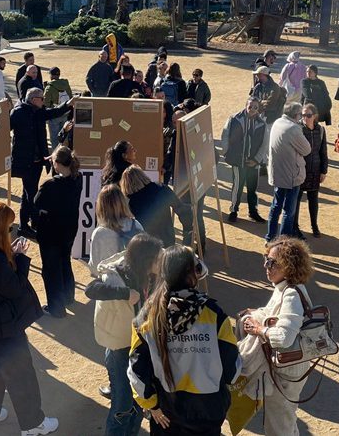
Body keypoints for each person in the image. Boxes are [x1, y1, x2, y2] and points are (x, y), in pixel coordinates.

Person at [130, 245, 240, 435]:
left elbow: (136, 372)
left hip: (166, 414)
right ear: (193, 274)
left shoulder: (145, 318)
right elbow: (233, 370)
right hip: (209, 412)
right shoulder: (214, 315)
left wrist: (151, 405)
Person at [0, 202, 58, 435]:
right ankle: (33, 424)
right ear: (1, 229)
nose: (13, 231)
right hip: (4, 327)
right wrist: (19, 259)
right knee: (22, 376)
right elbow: (14, 289)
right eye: (10, 227)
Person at [87, 233, 164, 436]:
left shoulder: (151, 274)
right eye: (157, 259)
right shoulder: (118, 275)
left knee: (139, 401)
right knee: (122, 405)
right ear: (146, 260)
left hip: (142, 346)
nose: (161, 262)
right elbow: (91, 289)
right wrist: (124, 294)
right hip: (120, 349)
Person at [236, 238, 315, 434]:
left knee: (279, 425)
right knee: (285, 421)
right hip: (287, 369)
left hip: (286, 374)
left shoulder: (291, 295)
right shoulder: (284, 288)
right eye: (266, 259)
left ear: (289, 266)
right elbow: (275, 313)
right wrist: (259, 314)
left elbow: (284, 338)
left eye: (272, 263)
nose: (266, 266)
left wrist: (258, 329)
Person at [10, 87, 74, 237]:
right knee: (31, 193)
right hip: (26, 162)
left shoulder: (37, 111)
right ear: (33, 100)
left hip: (37, 161)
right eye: (41, 99)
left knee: (29, 193)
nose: (44, 101)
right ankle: (26, 224)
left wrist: (68, 104)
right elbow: (4, 127)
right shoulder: (18, 113)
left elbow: (52, 113)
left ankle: (27, 223)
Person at [34, 146, 84, 318]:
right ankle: (68, 296)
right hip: (69, 229)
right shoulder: (78, 178)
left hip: (51, 233)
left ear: (57, 163)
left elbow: (36, 202)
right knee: (64, 262)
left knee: (50, 269)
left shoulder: (51, 185)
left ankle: (56, 308)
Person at [265, 103, 313, 242]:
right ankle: (283, 241)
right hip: (291, 175)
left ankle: (270, 238)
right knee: (288, 211)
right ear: (296, 115)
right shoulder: (294, 129)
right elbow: (307, 150)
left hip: (277, 173)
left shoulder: (278, 122)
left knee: (275, 207)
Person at [221, 98, 268, 224]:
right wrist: (226, 153)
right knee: (237, 186)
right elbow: (225, 135)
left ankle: (253, 211)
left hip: (253, 163)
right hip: (238, 161)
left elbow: (264, 144)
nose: (252, 109)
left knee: (252, 188)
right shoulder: (234, 119)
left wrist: (257, 160)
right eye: (250, 106)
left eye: (255, 107)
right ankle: (233, 210)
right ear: (246, 105)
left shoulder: (262, 124)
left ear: (258, 109)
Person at [88, 184, 145, 274]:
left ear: (101, 206)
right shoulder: (136, 225)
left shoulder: (99, 233)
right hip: (134, 282)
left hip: (110, 283)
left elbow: (95, 268)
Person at [121, 165, 180, 249]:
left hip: (147, 245)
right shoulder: (161, 188)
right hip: (168, 239)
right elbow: (180, 207)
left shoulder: (132, 202)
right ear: (142, 176)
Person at [296, 102, 328, 238]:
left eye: (308, 115)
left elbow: (323, 152)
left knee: (313, 199)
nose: (305, 118)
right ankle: (294, 225)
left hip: (315, 169)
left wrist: (323, 171)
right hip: (300, 170)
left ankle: (314, 225)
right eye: (303, 115)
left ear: (315, 116)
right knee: (296, 199)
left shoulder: (320, 130)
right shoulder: (297, 129)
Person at [43, 67, 73, 149]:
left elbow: (46, 103)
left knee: (54, 138)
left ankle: (56, 155)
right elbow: (70, 97)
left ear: (51, 75)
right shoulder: (66, 84)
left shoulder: (49, 87)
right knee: (64, 136)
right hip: (65, 113)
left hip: (54, 115)